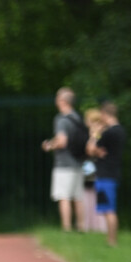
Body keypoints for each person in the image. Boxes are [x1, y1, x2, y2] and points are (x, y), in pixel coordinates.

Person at [41, 87, 86, 231]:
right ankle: (80, 227)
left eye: (57, 97)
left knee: (64, 197)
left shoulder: (61, 119)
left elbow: (62, 141)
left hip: (64, 164)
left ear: (62, 101)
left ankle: (66, 228)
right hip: (79, 162)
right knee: (78, 197)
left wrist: (49, 145)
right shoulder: (77, 118)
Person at [88, 101, 125, 248]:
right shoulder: (121, 131)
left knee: (109, 209)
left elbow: (91, 149)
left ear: (105, 114)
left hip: (105, 174)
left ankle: (112, 241)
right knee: (108, 208)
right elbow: (100, 151)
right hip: (113, 172)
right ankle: (110, 239)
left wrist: (94, 134)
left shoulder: (109, 133)